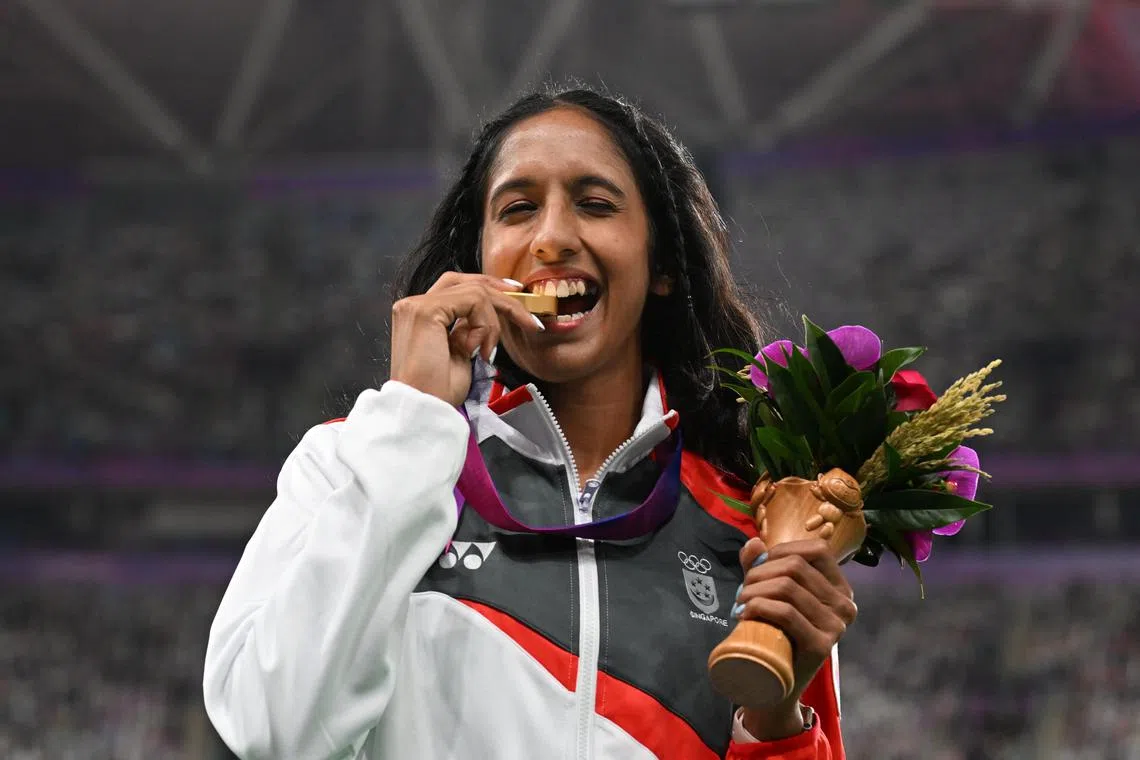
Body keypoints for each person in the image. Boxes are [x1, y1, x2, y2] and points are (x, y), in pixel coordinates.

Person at [203, 85, 857, 759]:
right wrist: (412, 422)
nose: (551, 238)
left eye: (595, 204)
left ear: (662, 264)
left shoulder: (751, 521)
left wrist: (774, 721)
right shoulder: (351, 465)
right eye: (517, 210)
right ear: (480, 262)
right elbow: (273, 735)